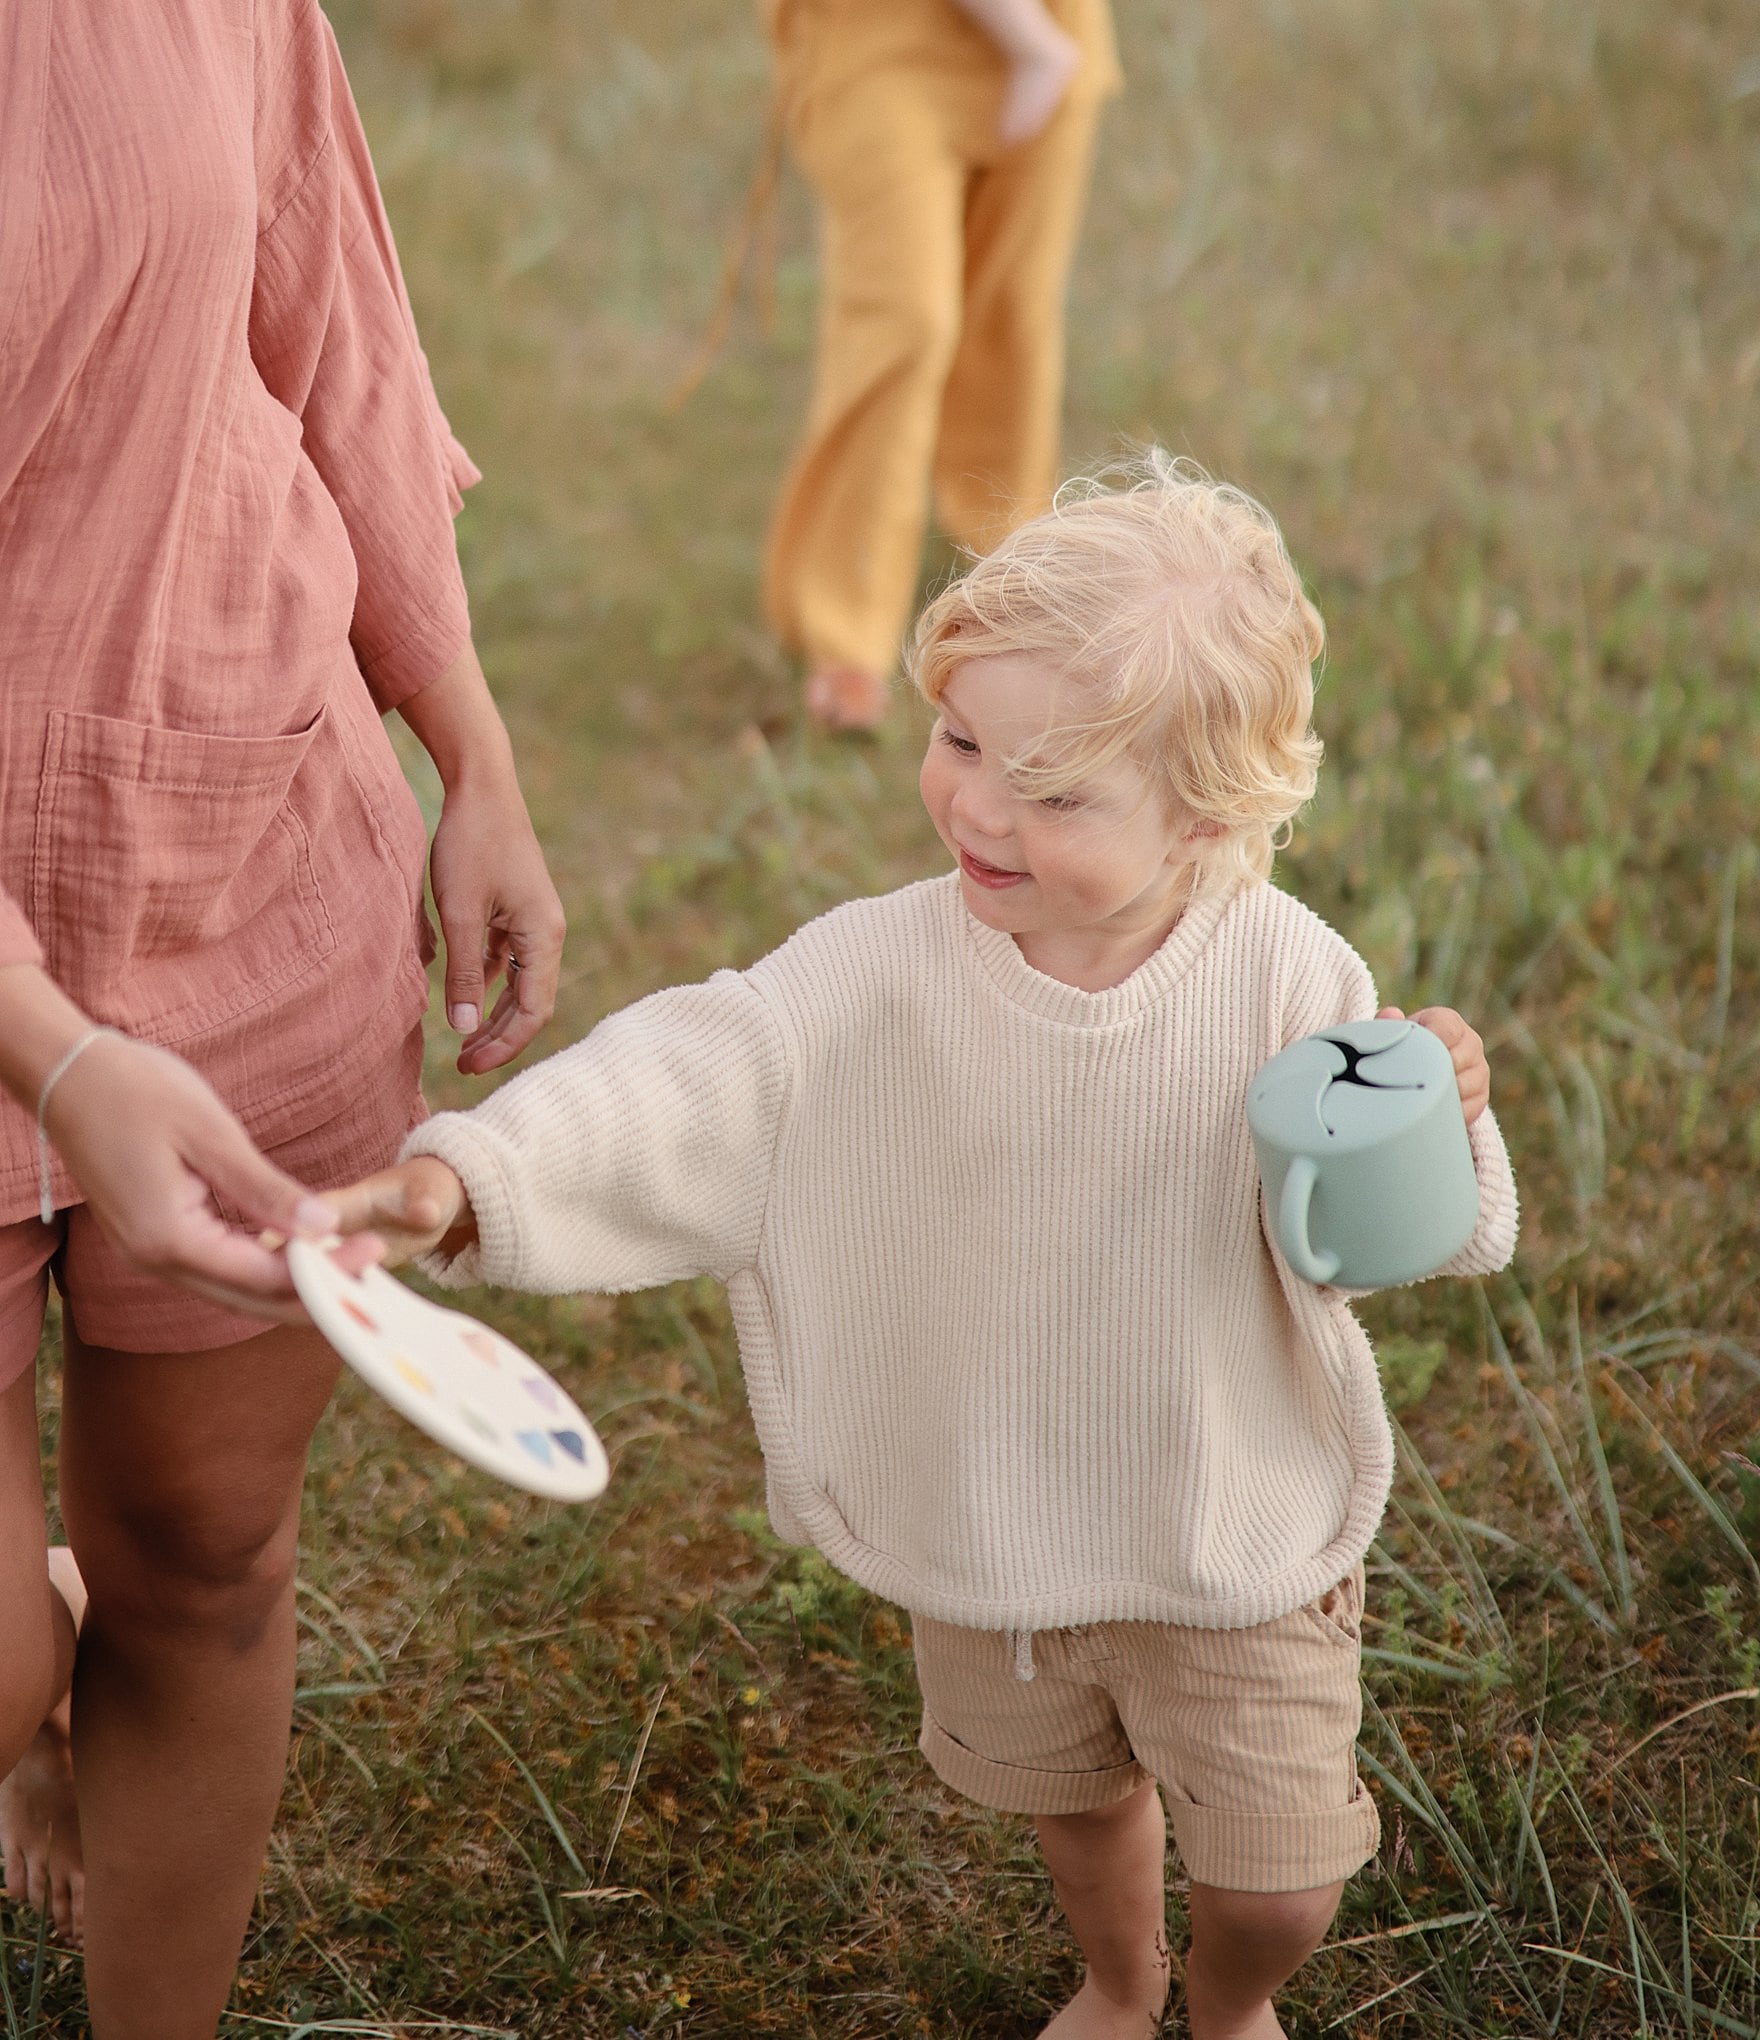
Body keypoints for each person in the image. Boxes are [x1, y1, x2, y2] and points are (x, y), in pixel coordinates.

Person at [334, 455, 1518, 2038]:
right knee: (1075, 1798)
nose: (976, 804)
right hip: (995, 1498)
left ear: (1212, 813)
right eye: (961, 741)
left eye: (1054, 791)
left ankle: (1231, 2008)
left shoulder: (1287, 976)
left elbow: (1351, 1241)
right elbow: (703, 1068)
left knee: (1281, 1879)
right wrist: (467, 1180)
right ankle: (1118, 1978)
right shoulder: (882, 977)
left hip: (1226, 1509)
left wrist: (1429, 1116)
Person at [0, 2, 564, 2032]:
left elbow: (325, 315)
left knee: (208, 1552)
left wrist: (466, 745)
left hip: (248, 854)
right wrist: (56, 1054)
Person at [760, 0, 1121, 731]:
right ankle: (846, 624)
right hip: (881, 39)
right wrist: (1028, 42)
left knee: (1012, 317)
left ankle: (1011, 563)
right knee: (904, 320)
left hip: (1058, 27)